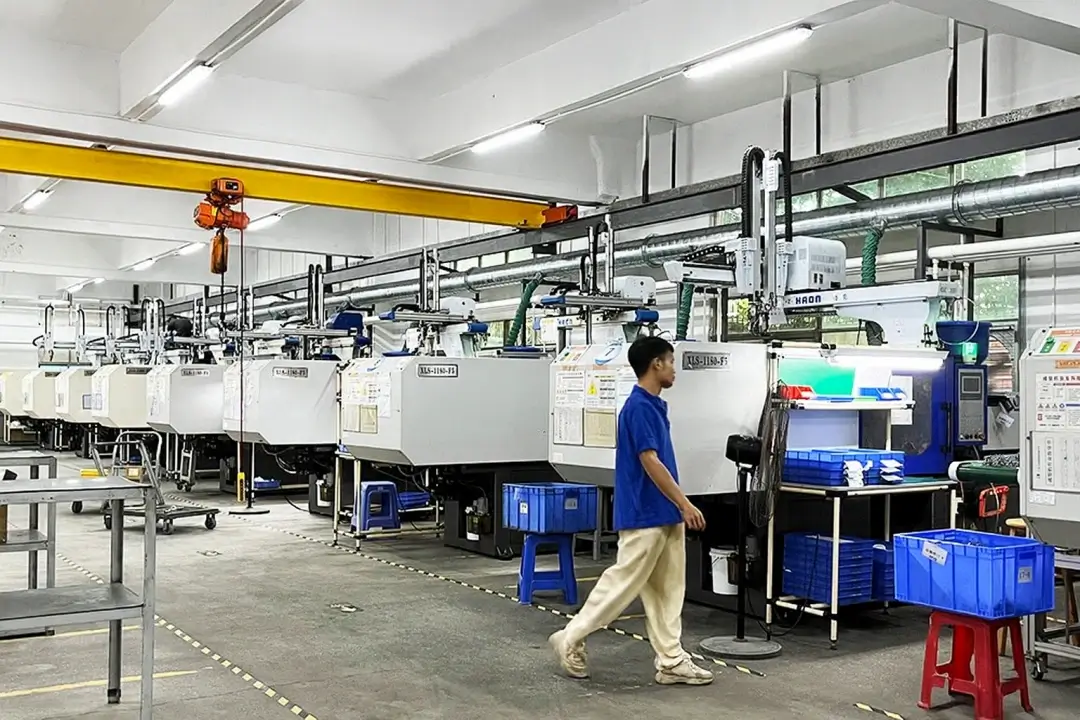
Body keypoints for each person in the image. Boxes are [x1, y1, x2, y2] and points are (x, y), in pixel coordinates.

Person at [549, 335, 713, 685]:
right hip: (645, 513)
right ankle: (570, 636)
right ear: (656, 364)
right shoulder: (638, 408)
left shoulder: (654, 405)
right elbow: (649, 461)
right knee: (622, 583)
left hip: (664, 513)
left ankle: (671, 661)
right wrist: (684, 503)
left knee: (667, 592)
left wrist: (676, 507)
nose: (674, 370)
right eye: (670, 362)